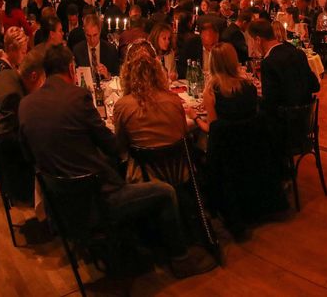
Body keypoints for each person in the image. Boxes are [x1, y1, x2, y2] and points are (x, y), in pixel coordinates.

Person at [18, 45, 215, 278]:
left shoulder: (26, 105)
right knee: (165, 191)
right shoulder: (77, 97)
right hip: (98, 200)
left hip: (60, 203)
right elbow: (112, 147)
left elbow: (28, 157)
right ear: (71, 69)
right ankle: (180, 259)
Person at [111, 48, 192, 180]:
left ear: (127, 76)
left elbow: (120, 147)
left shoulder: (123, 106)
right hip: (179, 175)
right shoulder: (174, 100)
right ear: (158, 74)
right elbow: (185, 134)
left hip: (145, 182)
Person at [0, 44, 47, 203]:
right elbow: (4, 140)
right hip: (15, 174)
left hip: (8, 164)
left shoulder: (6, 75)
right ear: (34, 76)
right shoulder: (13, 94)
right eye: (43, 80)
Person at [251, 19, 320, 116]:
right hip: (306, 120)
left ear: (258, 40)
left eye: (252, 42)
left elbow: (270, 103)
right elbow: (315, 86)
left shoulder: (268, 62)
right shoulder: (299, 54)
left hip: (284, 124)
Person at [196, 43, 258, 134]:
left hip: (223, 145)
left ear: (212, 63)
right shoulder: (250, 86)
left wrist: (195, 117)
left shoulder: (211, 92)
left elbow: (210, 129)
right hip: (249, 142)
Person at [73, 15, 120, 84]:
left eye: (95, 35)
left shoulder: (110, 49)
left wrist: (108, 75)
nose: (92, 40)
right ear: (84, 32)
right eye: (88, 35)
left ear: (100, 31)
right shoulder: (78, 50)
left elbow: (118, 75)